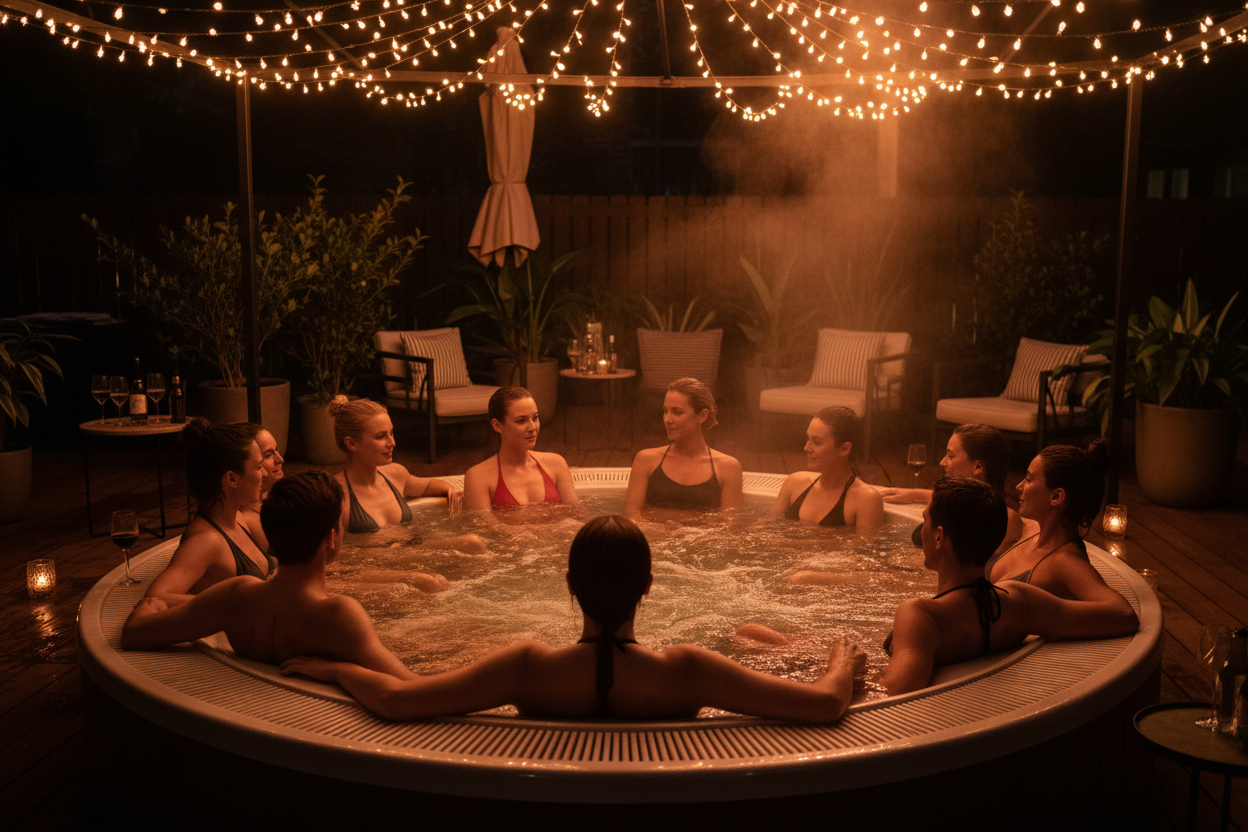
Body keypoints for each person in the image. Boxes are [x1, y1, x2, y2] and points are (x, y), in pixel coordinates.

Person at [281, 515, 866, 722]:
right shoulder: (688, 669)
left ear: (568, 586)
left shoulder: (527, 666)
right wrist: (840, 659)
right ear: (649, 587)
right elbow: (824, 705)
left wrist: (336, 671)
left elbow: (397, 701)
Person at [122, 471, 415, 682]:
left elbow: (136, 633)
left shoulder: (236, 595)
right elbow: (411, 687)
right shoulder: (339, 615)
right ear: (331, 537)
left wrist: (147, 609)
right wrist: (339, 671)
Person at [880, 477, 1139, 696]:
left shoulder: (921, 615)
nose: (922, 527)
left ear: (939, 537)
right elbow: (1124, 616)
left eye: (925, 520)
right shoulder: (1018, 601)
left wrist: (844, 669)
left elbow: (892, 693)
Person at [985, 441, 1132, 613]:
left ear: (1056, 496)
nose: (1019, 487)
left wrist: (1038, 617)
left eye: (1029, 479)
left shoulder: (1066, 563)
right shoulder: (1032, 530)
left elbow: (1123, 611)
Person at [329, 396, 484, 553]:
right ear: (351, 443)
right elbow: (333, 554)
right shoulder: (335, 494)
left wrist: (450, 489)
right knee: (471, 544)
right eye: (380, 436)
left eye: (391, 433)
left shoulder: (394, 474)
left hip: (412, 555)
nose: (392, 443)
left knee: (473, 543)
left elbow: (427, 485)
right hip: (377, 567)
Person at [145, 418, 273, 605]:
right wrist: (225, 604)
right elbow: (154, 598)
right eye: (259, 467)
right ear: (231, 479)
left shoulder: (237, 518)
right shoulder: (206, 542)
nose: (265, 474)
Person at [879, 423, 1027, 553]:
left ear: (977, 467)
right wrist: (915, 494)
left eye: (950, 456)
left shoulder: (1003, 520)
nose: (942, 462)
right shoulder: (964, 505)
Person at [624, 378, 743, 515]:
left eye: (677, 412)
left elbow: (727, 525)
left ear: (702, 416)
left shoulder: (728, 468)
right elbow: (632, 515)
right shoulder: (646, 460)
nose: (667, 419)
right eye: (665, 411)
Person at [463, 387, 578, 514]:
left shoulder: (556, 464)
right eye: (521, 421)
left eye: (535, 418)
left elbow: (577, 513)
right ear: (497, 425)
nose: (532, 427)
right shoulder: (478, 477)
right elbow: (486, 527)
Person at [767, 406, 884, 528]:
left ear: (844, 449)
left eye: (817, 442)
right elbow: (764, 529)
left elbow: (865, 546)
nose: (806, 448)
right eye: (808, 439)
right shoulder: (795, 483)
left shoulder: (866, 500)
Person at [238, 425, 284, 551]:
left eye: (277, 449)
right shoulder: (245, 518)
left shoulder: (273, 496)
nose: (281, 459)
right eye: (268, 455)